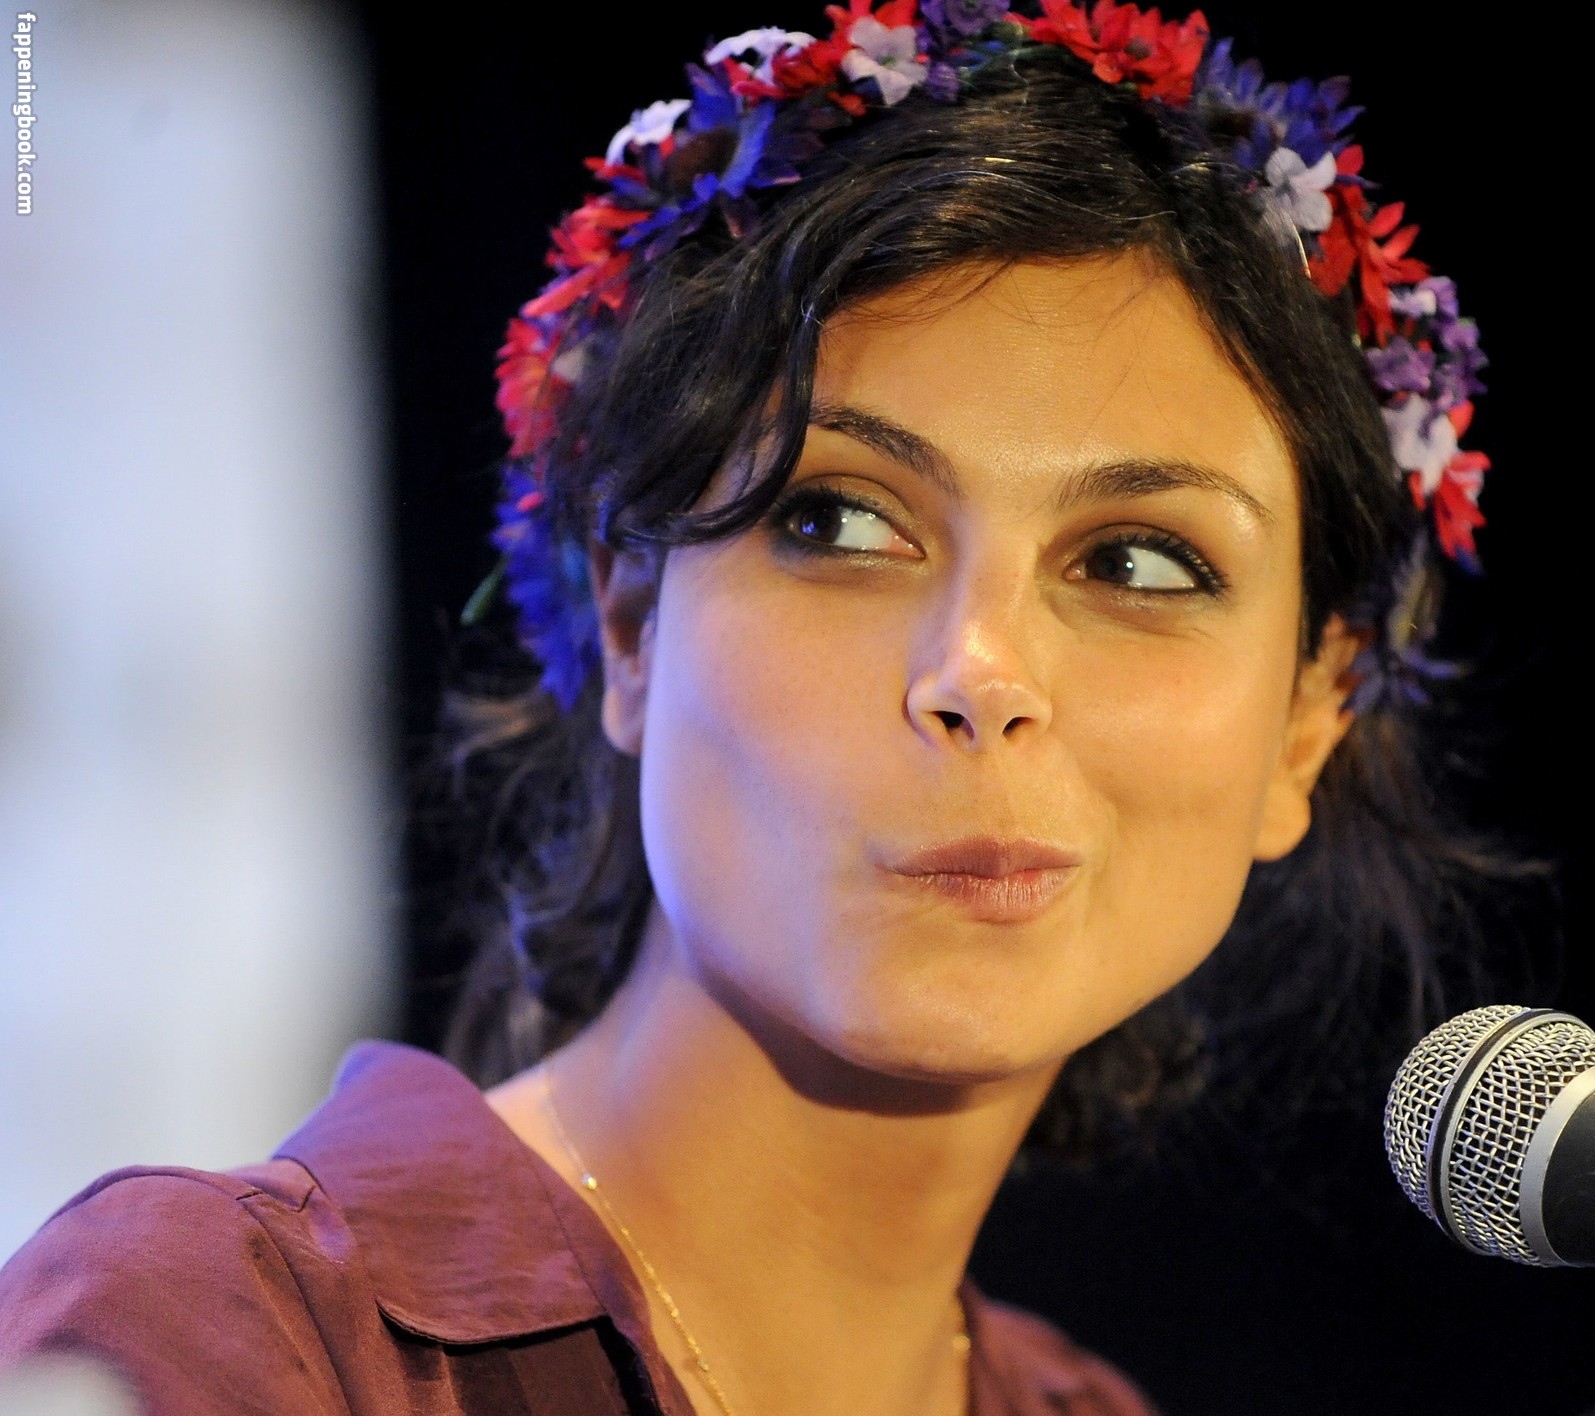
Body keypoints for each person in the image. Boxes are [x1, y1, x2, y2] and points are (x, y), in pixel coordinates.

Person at [0, 3, 1501, 1412]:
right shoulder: (224, 1334)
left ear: (1307, 724)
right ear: (632, 624)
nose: (981, 673)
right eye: (838, 520)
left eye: (1137, 562)